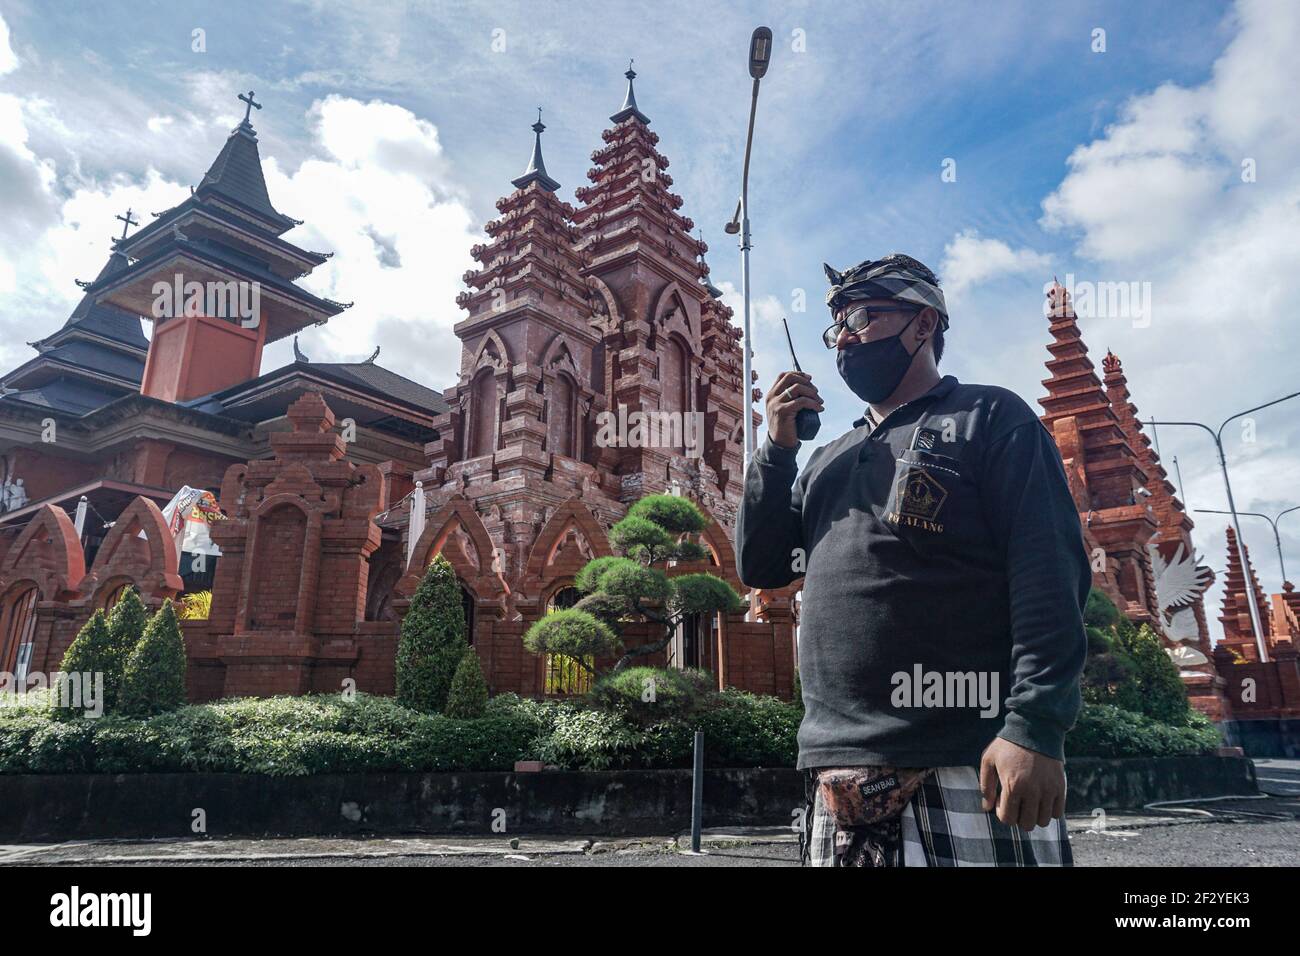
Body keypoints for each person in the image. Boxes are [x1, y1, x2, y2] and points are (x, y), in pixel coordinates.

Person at [736, 253, 1090, 867]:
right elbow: (762, 566)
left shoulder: (991, 418)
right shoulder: (828, 461)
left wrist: (1035, 727)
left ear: (923, 324)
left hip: (966, 759)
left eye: (863, 317)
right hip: (837, 770)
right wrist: (777, 448)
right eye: (836, 327)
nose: (844, 338)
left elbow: (1048, 576)